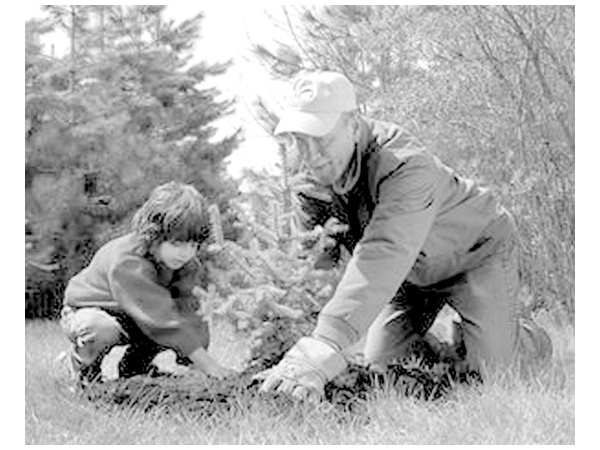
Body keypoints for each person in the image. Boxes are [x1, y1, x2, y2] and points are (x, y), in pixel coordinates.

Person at [258, 71, 552, 402]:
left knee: (496, 376)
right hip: (408, 275)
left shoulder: (403, 166)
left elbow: (386, 249)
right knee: (385, 365)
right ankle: (460, 348)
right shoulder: (310, 183)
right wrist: (294, 342)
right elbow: (313, 267)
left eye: (321, 138)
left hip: (474, 253)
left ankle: (525, 340)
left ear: (353, 125)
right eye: (299, 139)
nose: (310, 154)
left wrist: (327, 340)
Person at [60, 181, 235, 386]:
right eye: (176, 243)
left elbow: (191, 314)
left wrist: (195, 364)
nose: (186, 253)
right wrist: (210, 366)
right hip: (93, 311)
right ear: (153, 234)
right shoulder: (127, 261)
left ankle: (134, 369)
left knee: (174, 322)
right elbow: (160, 321)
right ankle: (84, 373)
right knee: (101, 328)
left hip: (140, 316)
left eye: (193, 244)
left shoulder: (187, 265)